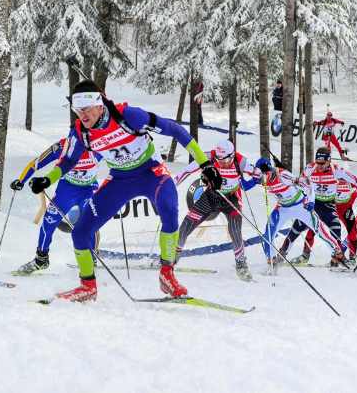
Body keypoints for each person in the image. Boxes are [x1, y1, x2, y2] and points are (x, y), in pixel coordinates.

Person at [28, 80, 221, 302]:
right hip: (120, 179)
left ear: (100, 105)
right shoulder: (80, 133)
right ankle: (87, 286)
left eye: (87, 108)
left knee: (169, 208)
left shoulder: (129, 116)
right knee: (80, 231)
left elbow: (175, 130)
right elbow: (69, 160)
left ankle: (167, 275)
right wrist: (47, 179)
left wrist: (205, 164)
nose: (82, 115)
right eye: (77, 110)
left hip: (152, 172)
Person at [9, 138, 102, 274]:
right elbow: (35, 163)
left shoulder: (98, 146)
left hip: (88, 189)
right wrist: (21, 181)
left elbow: (118, 157)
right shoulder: (62, 146)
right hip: (66, 191)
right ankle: (41, 259)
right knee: (48, 222)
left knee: (89, 223)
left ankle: (91, 256)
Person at [174, 139, 261, 281]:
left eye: (225, 160)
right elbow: (186, 170)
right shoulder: (208, 157)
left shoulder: (241, 161)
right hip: (211, 196)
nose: (221, 163)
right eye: (219, 160)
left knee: (235, 230)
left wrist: (259, 176)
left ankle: (241, 264)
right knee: (186, 224)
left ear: (232, 155)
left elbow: (258, 174)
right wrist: (173, 183)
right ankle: (172, 256)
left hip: (231, 198)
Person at [254, 157, 342, 271]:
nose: (263, 179)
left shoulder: (283, 175)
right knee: (267, 234)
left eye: (265, 175)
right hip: (283, 208)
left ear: (269, 170)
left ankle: (337, 252)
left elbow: (306, 183)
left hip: (299, 205)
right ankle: (272, 261)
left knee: (318, 229)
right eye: (261, 176)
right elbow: (246, 182)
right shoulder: (260, 176)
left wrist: (311, 200)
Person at [278, 147, 357, 266]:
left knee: (336, 229)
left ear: (329, 161)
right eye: (318, 162)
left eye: (322, 163)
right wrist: (301, 192)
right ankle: (282, 255)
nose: (320, 165)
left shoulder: (336, 170)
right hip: (314, 205)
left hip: (328, 207)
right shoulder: (310, 168)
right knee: (296, 228)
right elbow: (301, 181)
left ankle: (335, 260)